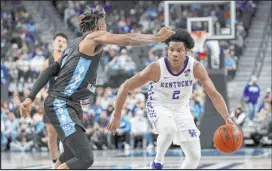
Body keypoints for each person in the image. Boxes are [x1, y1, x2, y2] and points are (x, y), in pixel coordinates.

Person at [19, 5, 175, 169]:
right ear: (100, 27)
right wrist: (156, 38)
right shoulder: (95, 37)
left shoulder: (72, 45)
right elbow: (128, 39)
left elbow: (50, 70)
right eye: (105, 26)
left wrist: (30, 97)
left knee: (71, 154)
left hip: (69, 104)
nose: (107, 29)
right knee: (85, 158)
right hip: (61, 103)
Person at [106, 29, 236, 169]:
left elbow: (214, 94)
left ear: (186, 51)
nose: (174, 54)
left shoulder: (196, 67)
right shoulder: (156, 68)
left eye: (179, 50)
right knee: (169, 130)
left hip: (182, 109)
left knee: (194, 157)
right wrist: (117, 114)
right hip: (158, 105)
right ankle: (157, 161)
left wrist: (227, 117)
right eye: (171, 49)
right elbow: (125, 86)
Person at [41, 33, 68, 168]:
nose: (61, 43)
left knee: (66, 134)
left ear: (66, 45)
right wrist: (41, 96)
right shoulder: (47, 63)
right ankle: (54, 163)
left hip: (66, 102)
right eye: (58, 41)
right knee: (52, 135)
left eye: (63, 41)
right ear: (53, 43)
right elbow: (40, 83)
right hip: (51, 101)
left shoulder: (70, 62)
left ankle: (66, 159)